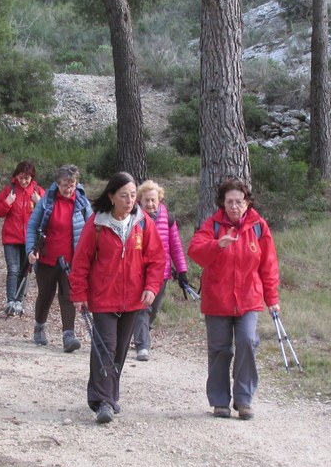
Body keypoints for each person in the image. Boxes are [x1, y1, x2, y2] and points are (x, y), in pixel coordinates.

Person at [70, 172, 165, 424]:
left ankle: (110, 396)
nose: (130, 200)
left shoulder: (143, 222)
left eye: (133, 195)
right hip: (103, 298)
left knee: (120, 351)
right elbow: (81, 261)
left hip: (134, 299)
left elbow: (156, 259)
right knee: (105, 348)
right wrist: (79, 294)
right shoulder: (97, 224)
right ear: (111, 197)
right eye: (124, 195)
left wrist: (151, 287)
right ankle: (103, 401)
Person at [187, 178, 279, 421]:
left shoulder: (258, 226)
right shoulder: (213, 225)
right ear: (222, 203)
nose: (235, 206)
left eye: (239, 201)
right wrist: (218, 245)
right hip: (217, 300)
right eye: (230, 202)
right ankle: (219, 402)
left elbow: (268, 265)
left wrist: (272, 299)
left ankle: (244, 399)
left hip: (249, 299)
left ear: (247, 202)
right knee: (220, 350)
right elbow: (195, 251)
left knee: (247, 342)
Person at [25, 165, 92, 351]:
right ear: (57, 183)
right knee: (45, 295)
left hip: (72, 260)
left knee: (68, 295)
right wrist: (30, 250)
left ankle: (68, 335)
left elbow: (93, 229)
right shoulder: (46, 201)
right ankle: (39, 326)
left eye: (72, 185)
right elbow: (32, 227)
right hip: (47, 258)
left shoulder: (82, 203)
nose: (68, 189)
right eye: (64, 185)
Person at [132, 180, 191, 361]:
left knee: (153, 309)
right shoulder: (133, 217)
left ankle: (141, 332)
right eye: (146, 200)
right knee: (143, 307)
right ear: (139, 201)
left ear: (159, 200)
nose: (150, 204)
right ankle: (142, 345)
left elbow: (176, 247)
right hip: (139, 272)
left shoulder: (168, 218)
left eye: (153, 200)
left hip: (162, 273)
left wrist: (182, 272)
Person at [0, 160, 44, 317]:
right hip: (11, 238)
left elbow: (50, 213)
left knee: (24, 270)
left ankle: (19, 301)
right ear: (16, 176)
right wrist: (7, 203)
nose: (24, 181)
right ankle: (10, 301)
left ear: (32, 177)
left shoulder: (38, 191)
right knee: (13, 269)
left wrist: (39, 203)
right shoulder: (9, 190)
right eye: (21, 177)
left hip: (30, 239)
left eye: (27, 178)